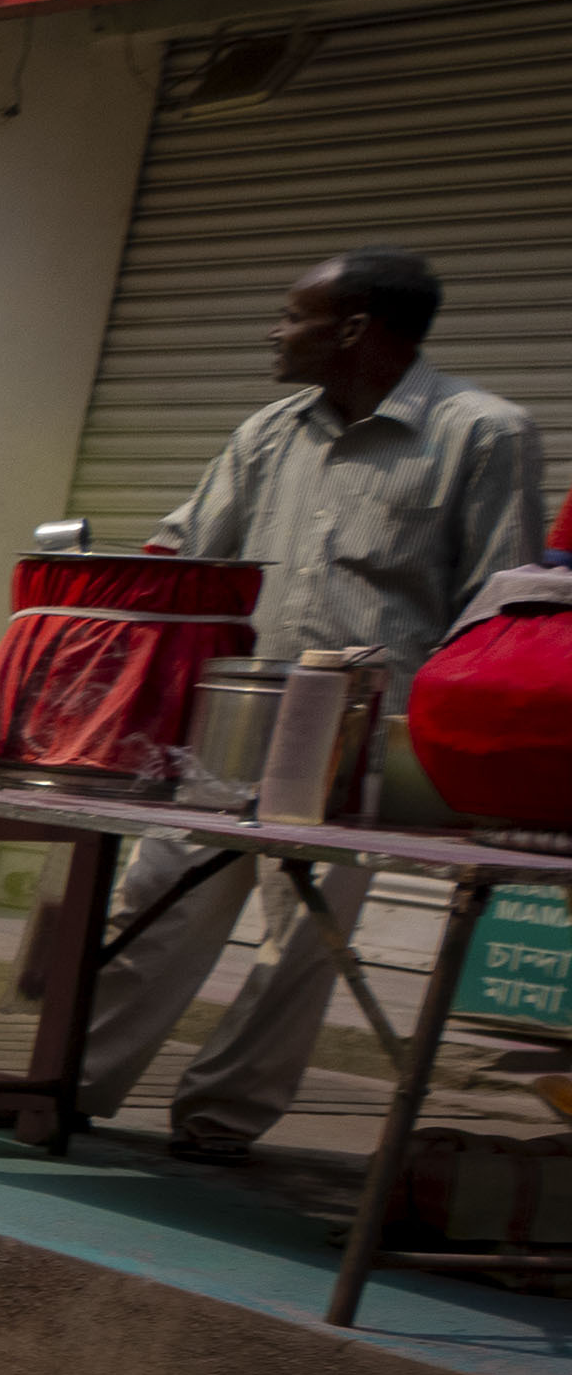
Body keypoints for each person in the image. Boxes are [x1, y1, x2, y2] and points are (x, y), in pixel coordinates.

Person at [76, 248, 552, 1157]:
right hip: (235, 713)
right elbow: (193, 553)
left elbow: (499, 601)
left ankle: (222, 1117)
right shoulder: (268, 433)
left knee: (304, 935)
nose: (274, 332)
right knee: (158, 897)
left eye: (291, 315)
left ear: (354, 329)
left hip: (366, 731)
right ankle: (74, 1082)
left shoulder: (485, 433)